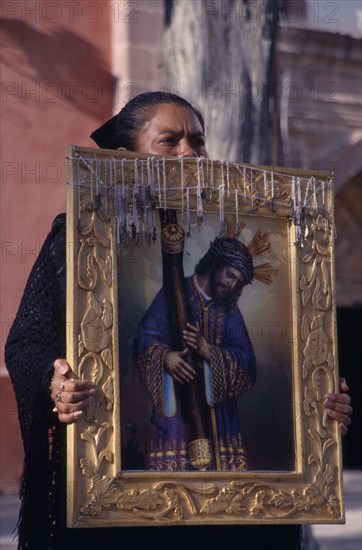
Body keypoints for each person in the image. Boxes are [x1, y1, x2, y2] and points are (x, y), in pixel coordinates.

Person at [5, 91, 352, 550]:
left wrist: (317, 407)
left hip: (235, 504)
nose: (190, 152)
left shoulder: (272, 228)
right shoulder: (84, 238)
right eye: (169, 140)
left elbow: (249, 364)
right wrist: (59, 383)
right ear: (128, 156)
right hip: (130, 496)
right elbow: (26, 343)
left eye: (198, 140)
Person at [134, 237, 256, 471]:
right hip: (178, 410)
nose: (232, 286)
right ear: (214, 264)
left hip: (218, 419)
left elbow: (248, 365)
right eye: (230, 275)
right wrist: (164, 357)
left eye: (238, 283)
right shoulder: (174, 293)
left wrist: (209, 352)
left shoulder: (229, 312)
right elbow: (143, 339)